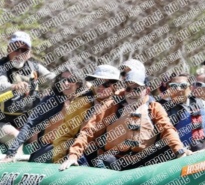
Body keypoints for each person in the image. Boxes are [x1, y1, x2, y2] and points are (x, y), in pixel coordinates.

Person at [59, 69, 192, 171]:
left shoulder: (154, 107)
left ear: (146, 91)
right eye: (128, 88)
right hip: (113, 160)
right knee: (105, 159)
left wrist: (179, 149)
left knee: (170, 152)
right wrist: (73, 155)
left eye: (137, 89)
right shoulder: (111, 106)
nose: (131, 93)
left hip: (142, 161)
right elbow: (89, 130)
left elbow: (167, 129)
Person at [0, 69, 89, 163]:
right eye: (62, 80)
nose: (66, 83)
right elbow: (29, 125)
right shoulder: (50, 101)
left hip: (76, 149)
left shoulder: (85, 100)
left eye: (71, 80)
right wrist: (11, 153)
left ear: (78, 84)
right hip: (49, 149)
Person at [0, 31, 56, 148]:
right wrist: (14, 86)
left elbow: (52, 78)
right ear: (9, 49)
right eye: (15, 49)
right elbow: (1, 85)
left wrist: (70, 83)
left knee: (43, 135)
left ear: (29, 53)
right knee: (16, 137)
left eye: (24, 50)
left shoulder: (35, 67)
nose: (19, 54)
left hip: (25, 122)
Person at [157, 73, 205, 152]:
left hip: (202, 153)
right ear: (168, 88)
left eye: (183, 86)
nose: (178, 89)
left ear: (190, 87)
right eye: (174, 86)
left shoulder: (203, 104)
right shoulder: (161, 109)